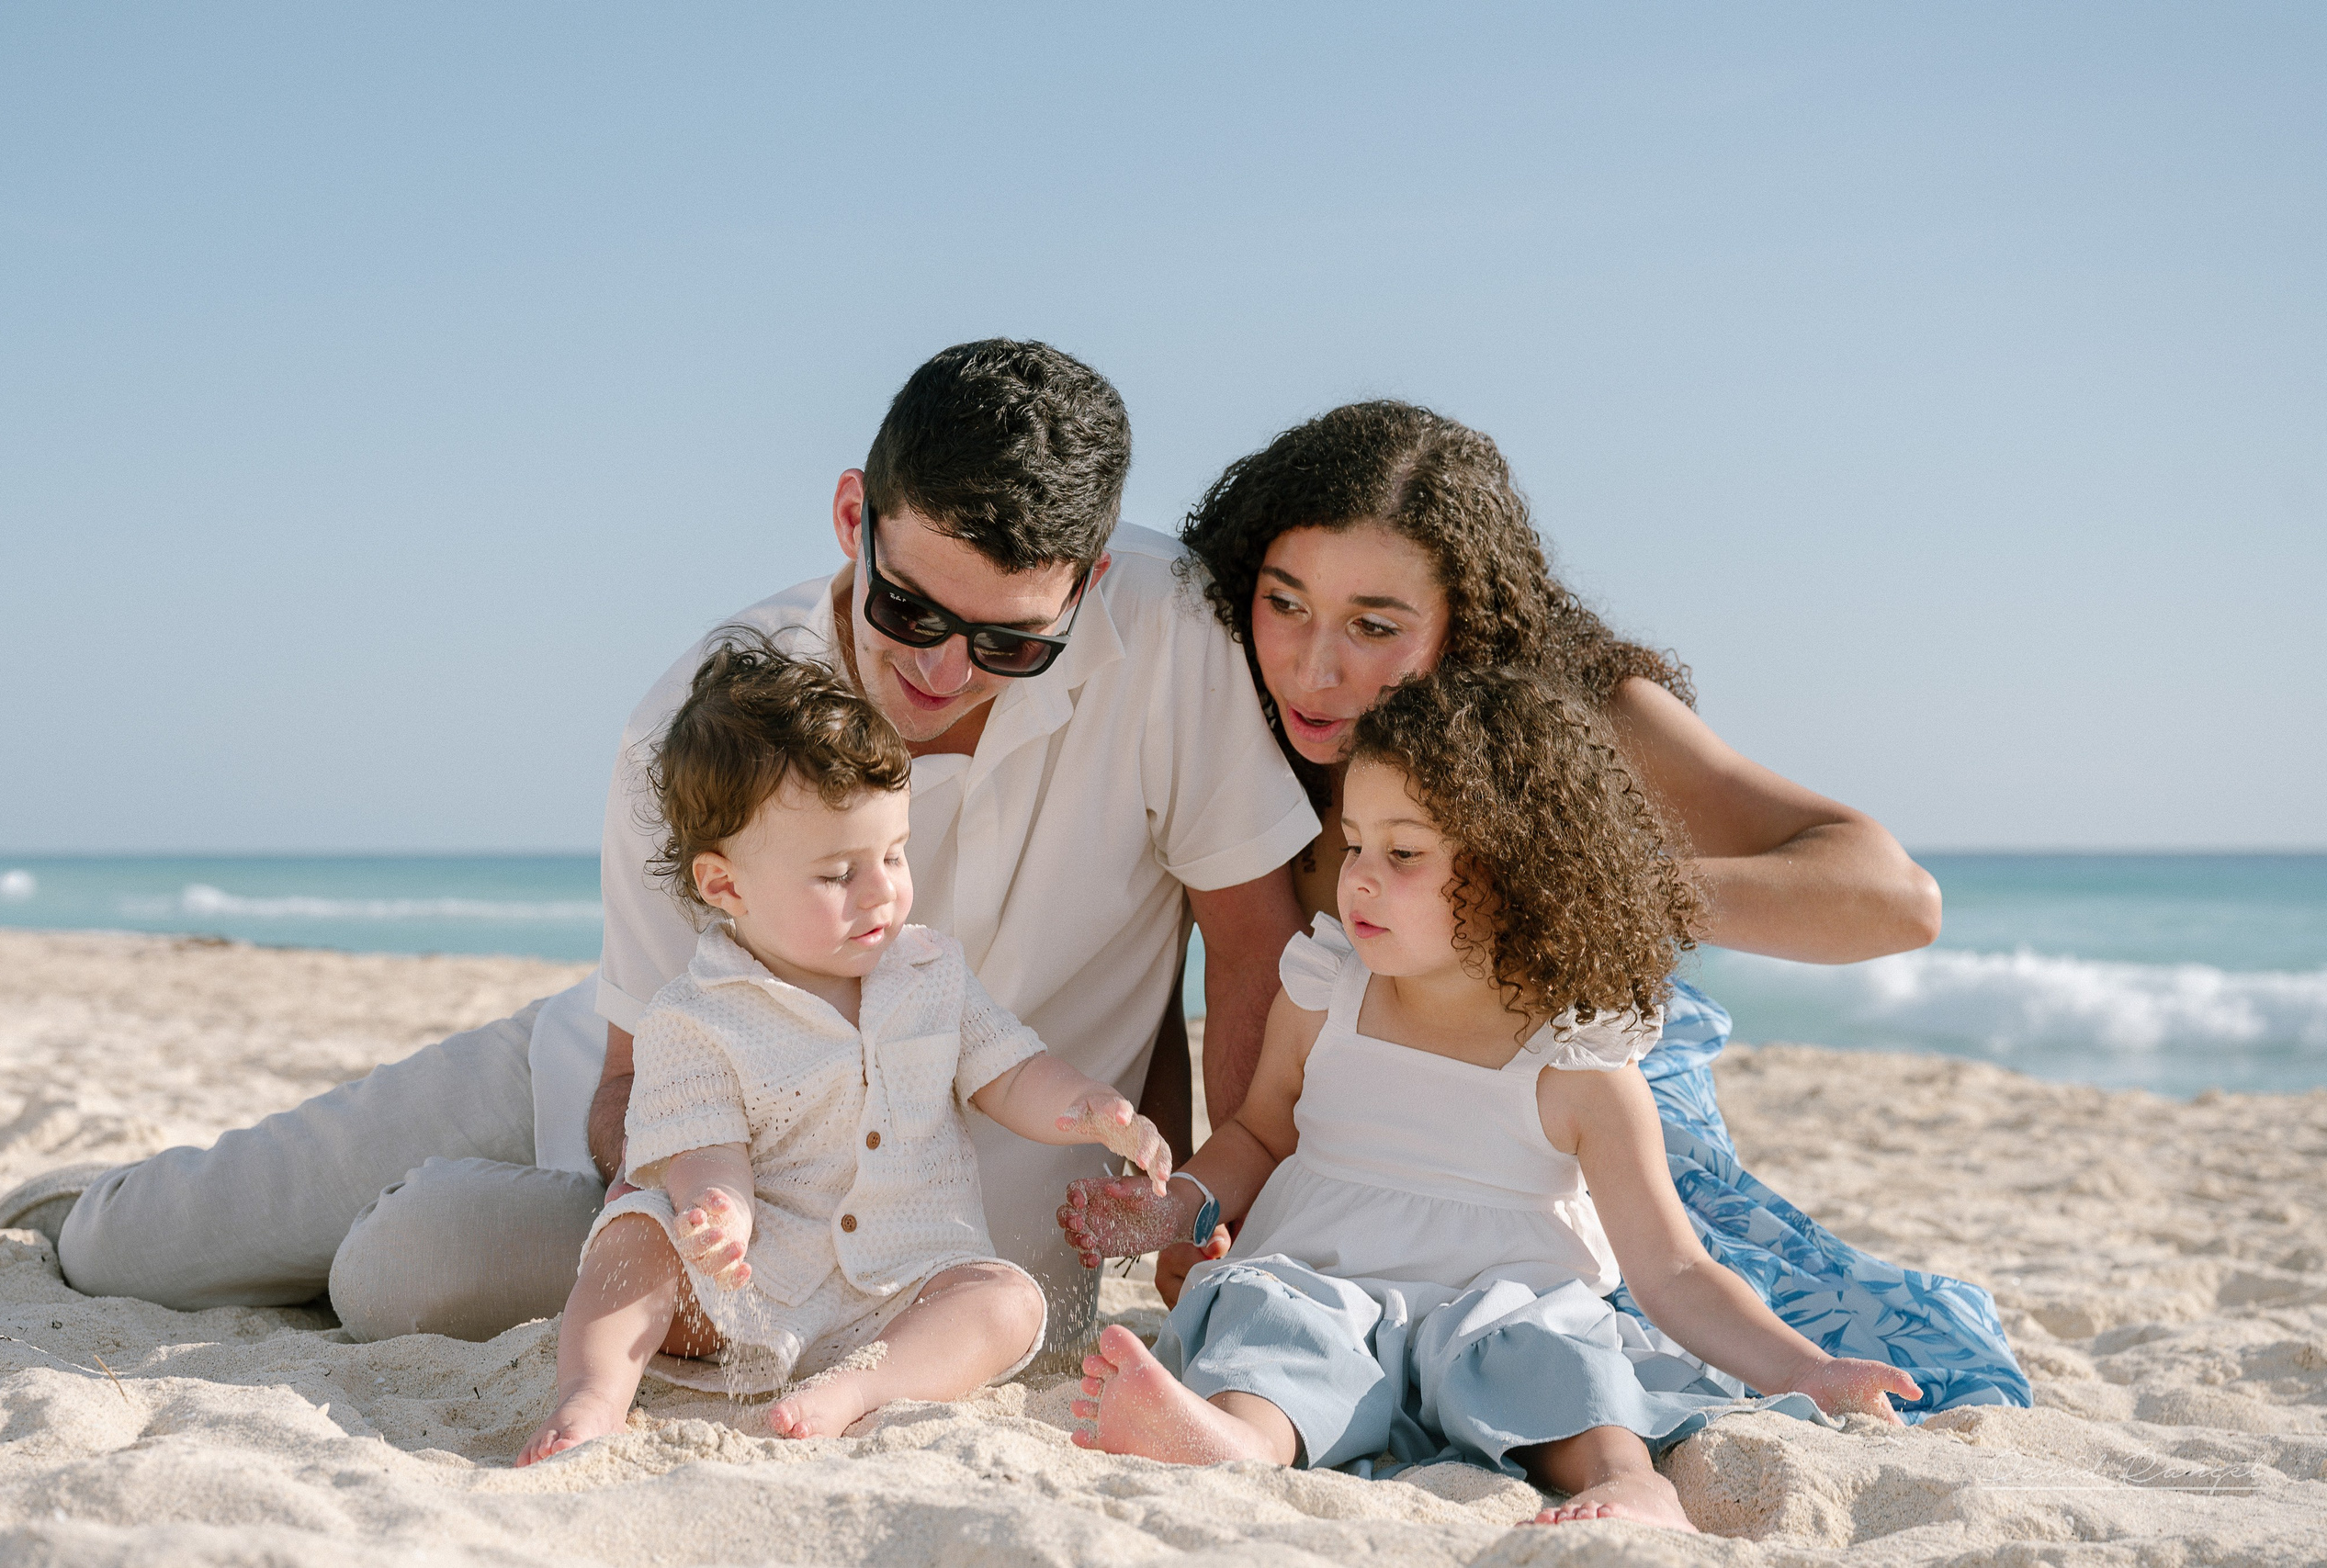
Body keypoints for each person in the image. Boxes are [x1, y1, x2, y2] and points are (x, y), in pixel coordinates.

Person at [27, 341, 1315, 1357]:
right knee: (134, 1250)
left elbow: (1252, 948)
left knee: (408, 1267)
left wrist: (1208, 1217)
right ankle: (88, 1202)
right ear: (852, 514)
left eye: (1008, 642)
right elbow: (629, 1079)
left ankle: (388, 1234)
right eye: (909, 609)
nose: (942, 669)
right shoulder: (696, 716)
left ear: (1088, 582)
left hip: (929, 1250)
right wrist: (708, 1199)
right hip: (661, 1113)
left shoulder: (1171, 634)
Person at [1168, 400, 2028, 1412]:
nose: (1315, 669)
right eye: (1285, 604)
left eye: (1375, 626)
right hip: (1369, 1169)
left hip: (1590, 1141)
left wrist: (1577, 880)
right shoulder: (1227, 725)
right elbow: (1254, 991)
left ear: (1465, 622)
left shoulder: (1567, 732)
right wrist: (1222, 1214)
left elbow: (1894, 900)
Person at [1057, 668, 1920, 1531]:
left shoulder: (1577, 1064)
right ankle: (1236, 1440)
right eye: (1353, 844)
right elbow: (1256, 1134)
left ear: (1519, 872)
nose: (1358, 878)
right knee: (1274, 1320)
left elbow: (1674, 1270)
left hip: (1503, 1315)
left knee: (1560, 1358)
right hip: (1328, 1287)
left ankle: (1628, 1481)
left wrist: (1806, 1370)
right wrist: (1177, 1203)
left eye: (1403, 853)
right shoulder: (1323, 995)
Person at [519, 644, 1173, 1463]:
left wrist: (1087, 1107)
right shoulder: (696, 1015)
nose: (882, 891)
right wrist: (719, 1211)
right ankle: (591, 1395)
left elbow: (1012, 1073)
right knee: (632, 1244)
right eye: (838, 874)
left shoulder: (932, 973)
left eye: (894, 855)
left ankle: (858, 1388)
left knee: (1007, 1301)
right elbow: (705, 1146)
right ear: (726, 886)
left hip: (903, 1288)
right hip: (746, 1292)